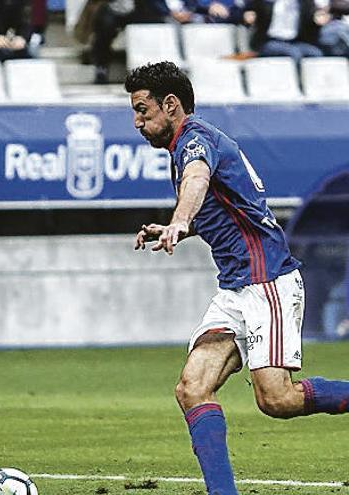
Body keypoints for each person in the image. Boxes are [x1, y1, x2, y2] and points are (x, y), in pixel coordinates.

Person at [127, 61, 349, 495]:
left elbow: (197, 180)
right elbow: (225, 208)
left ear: (170, 105)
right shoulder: (187, 144)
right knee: (192, 387)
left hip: (267, 282)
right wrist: (178, 227)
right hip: (235, 288)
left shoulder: (195, 142)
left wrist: (178, 220)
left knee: (276, 400)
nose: (137, 122)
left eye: (142, 110)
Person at [243, 0, 326, 63]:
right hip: (269, 41)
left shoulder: (305, 3)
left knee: (315, 53)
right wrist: (248, 15)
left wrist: (317, 22)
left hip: (295, 42)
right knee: (294, 53)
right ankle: (297, 83)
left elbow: (312, 23)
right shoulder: (266, 2)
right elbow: (248, 11)